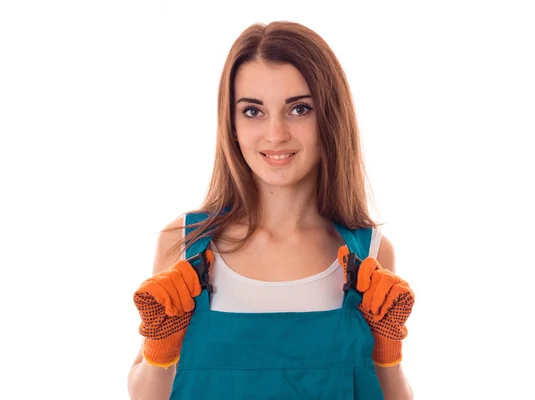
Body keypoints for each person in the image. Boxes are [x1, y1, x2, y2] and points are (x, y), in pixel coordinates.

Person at [127, 20, 415, 400]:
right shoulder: (184, 243)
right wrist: (161, 349)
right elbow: (144, 395)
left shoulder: (370, 256)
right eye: (253, 111)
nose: (276, 133)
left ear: (329, 117)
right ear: (231, 124)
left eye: (299, 109)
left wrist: (387, 355)